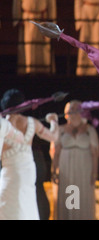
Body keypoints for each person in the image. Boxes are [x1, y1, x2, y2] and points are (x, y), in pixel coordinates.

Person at [0, 89, 59, 220]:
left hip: (10, 172)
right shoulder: (32, 123)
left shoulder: (2, 125)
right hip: (27, 171)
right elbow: (53, 136)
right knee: (27, 204)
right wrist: (53, 121)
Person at [52, 100, 99, 220]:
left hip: (83, 168)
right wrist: (53, 171)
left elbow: (95, 154)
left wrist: (95, 173)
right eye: (70, 109)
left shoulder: (89, 130)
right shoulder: (61, 130)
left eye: (76, 108)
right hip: (66, 169)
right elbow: (56, 153)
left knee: (82, 197)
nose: (73, 111)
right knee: (69, 198)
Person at [12, 0, 57, 74]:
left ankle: (44, 70)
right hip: (28, 20)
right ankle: (29, 70)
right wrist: (17, 19)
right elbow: (16, 3)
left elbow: (51, 3)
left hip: (42, 19)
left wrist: (52, 21)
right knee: (28, 47)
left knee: (43, 48)